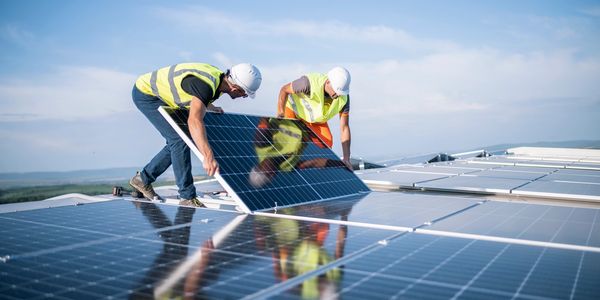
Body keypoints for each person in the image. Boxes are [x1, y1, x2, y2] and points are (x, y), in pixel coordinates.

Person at [130, 62, 262, 207]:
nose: (244, 97)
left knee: (181, 139)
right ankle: (187, 197)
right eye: (244, 93)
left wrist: (209, 106)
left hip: (159, 95)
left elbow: (198, 94)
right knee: (179, 139)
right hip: (147, 94)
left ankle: (143, 179)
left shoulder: (218, 81)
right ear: (235, 87)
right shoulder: (206, 86)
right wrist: (208, 156)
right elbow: (194, 121)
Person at [276, 67, 353, 170]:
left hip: (315, 120)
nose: (337, 95)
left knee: (326, 145)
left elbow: (344, 128)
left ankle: (306, 166)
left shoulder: (344, 99)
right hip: (294, 112)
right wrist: (280, 112)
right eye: (336, 90)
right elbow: (284, 89)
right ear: (328, 81)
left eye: (340, 93)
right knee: (291, 141)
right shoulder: (307, 83)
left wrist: (346, 158)